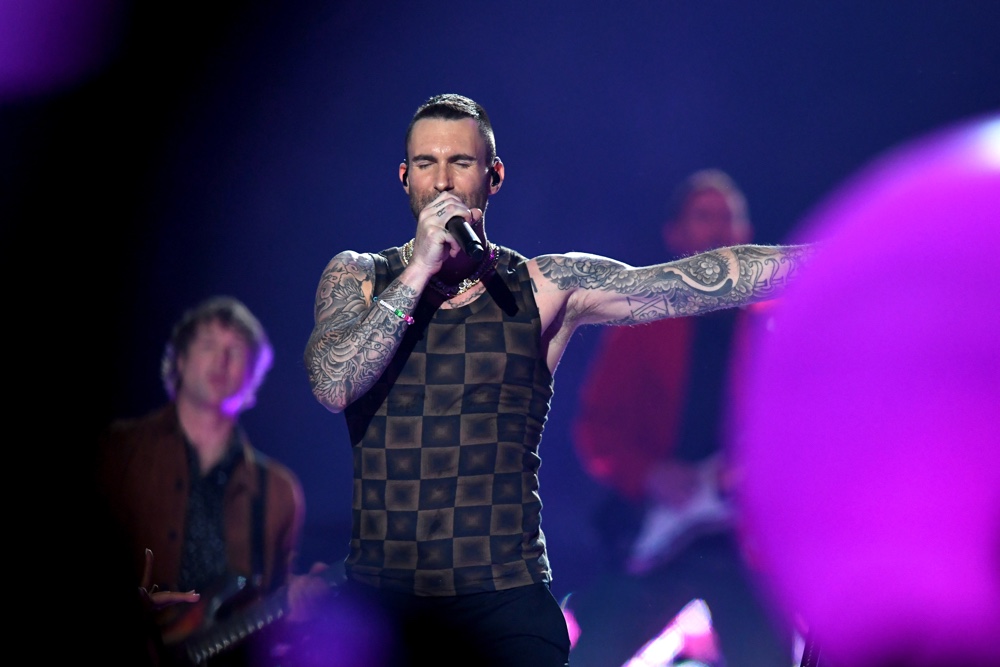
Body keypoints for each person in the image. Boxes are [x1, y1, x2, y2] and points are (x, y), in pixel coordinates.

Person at [302, 93, 813, 667]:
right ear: (404, 177)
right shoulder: (359, 276)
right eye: (426, 163)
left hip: (506, 602)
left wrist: (837, 257)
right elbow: (333, 383)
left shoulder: (544, 287)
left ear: (493, 176)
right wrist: (419, 269)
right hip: (387, 601)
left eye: (461, 163)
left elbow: (693, 279)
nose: (443, 180)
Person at [565, 170, 793, 667]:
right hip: (662, 536)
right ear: (676, 235)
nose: (719, 231)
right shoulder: (642, 322)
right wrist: (649, 474)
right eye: (705, 217)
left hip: (743, 544)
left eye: (730, 219)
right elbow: (595, 428)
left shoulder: (773, 325)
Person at [95, 295, 332, 667]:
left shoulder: (279, 491)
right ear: (181, 359)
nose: (221, 360)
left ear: (253, 375)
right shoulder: (115, 452)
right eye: (208, 344)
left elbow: (275, 605)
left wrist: (300, 605)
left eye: (236, 350)